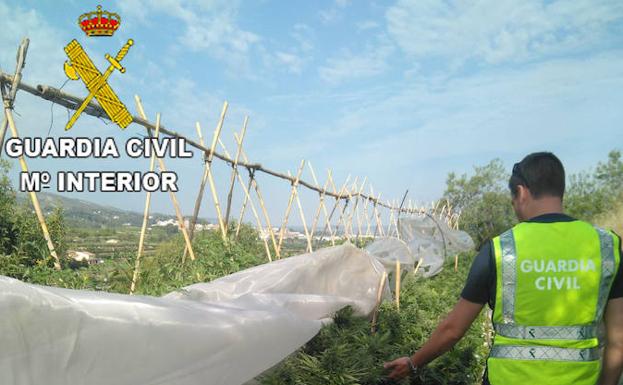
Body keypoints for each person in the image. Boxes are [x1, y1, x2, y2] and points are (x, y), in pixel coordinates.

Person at [383, 152, 623, 385]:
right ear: (560, 189)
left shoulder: (500, 250)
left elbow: (453, 330)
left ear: (521, 192)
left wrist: (413, 363)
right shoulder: (605, 246)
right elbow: (618, 340)